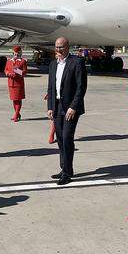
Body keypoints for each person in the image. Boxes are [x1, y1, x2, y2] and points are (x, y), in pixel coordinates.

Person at [47, 37, 87, 185]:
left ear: (68, 47)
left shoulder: (77, 62)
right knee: (60, 139)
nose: (58, 50)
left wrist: (73, 107)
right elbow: (51, 87)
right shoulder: (52, 64)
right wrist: (50, 107)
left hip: (71, 108)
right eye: (57, 47)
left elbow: (81, 87)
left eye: (61, 47)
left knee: (67, 137)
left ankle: (67, 172)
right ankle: (64, 168)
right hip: (57, 106)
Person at [4, 46, 27, 122]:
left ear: (20, 53)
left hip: (18, 84)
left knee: (18, 99)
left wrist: (16, 71)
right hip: (11, 83)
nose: (16, 55)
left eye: (18, 53)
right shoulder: (9, 61)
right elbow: (5, 69)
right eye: (15, 53)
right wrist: (8, 74)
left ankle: (16, 115)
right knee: (14, 100)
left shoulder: (23, 61)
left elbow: (24, 72)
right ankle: (17, 114)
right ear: (13, 53)